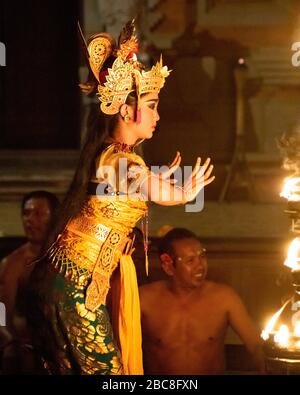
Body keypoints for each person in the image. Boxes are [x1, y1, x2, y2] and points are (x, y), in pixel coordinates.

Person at [26, 21, 215, 375]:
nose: (158, 115)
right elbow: (148, 186)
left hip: (71, 282)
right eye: (153, 105)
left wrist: (158, 179)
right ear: (127, 111)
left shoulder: (113, 155)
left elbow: (127, 187)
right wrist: (185, 191)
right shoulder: (124, 160)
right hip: (77, 286)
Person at [139, 228, 266, 375]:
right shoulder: (145, 300)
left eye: (202, 257)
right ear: (168, 266)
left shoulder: (224, 298)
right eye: (190, 260)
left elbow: (256, 345)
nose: (200, 266)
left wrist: (266, 370)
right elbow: (119, 348)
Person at [0, 190, 60, 373]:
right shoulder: (13, 263)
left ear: (54, 218)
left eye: (39, 214)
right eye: (26, 213)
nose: (30, 220)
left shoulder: (67, 257)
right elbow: (2, 313)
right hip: (26, 348)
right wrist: (13, 342)